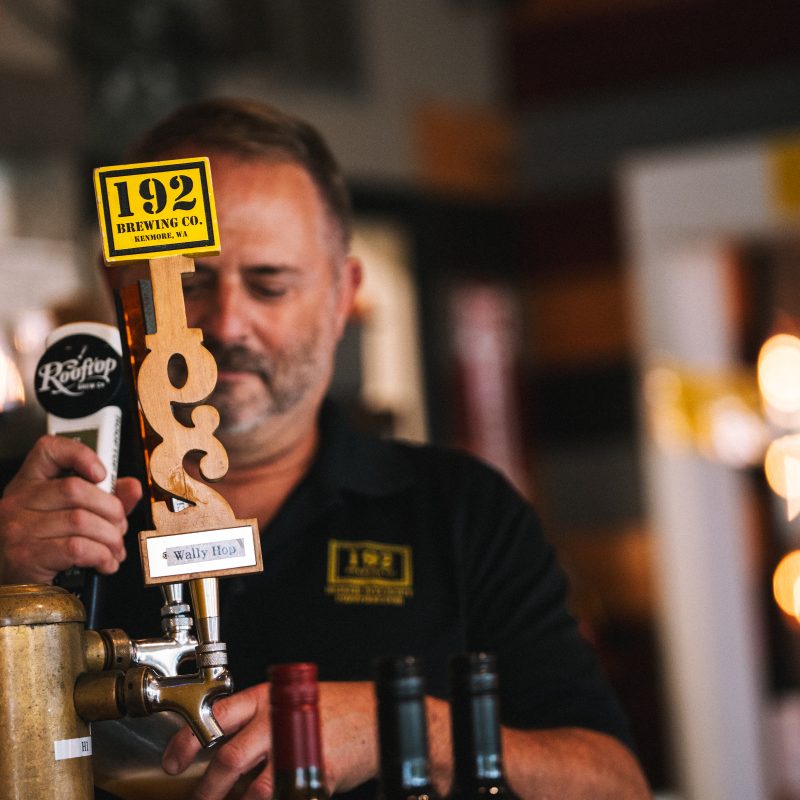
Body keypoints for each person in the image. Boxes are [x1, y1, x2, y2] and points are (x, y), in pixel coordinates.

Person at [0, 97, 651, 800]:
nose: (228, 322)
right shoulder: (23, 514)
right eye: (189, 283)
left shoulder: (461, 512)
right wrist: (7, 585)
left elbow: (613, 784)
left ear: (345, 293)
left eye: (269, 283)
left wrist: (402, 727)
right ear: (120, 287)